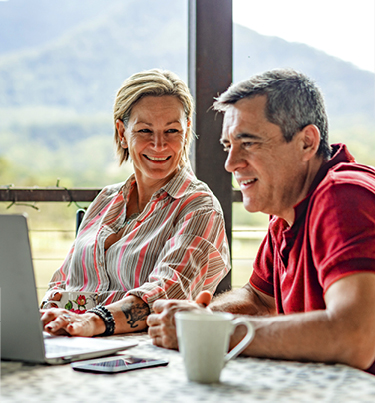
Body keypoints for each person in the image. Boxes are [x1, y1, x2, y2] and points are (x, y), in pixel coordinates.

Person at [147, 68, 375, 375]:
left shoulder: (342, 195)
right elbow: (256, 298)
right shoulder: (288, 208)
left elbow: (356, 337)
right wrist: (201, 319)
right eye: (228, 146)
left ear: (306, 142)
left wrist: (217, 332)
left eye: (249, 143)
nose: (230, 164)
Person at [41, 69, 230, 337]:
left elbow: (165, 293)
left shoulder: (199, 207)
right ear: (122, 132)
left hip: (144, 355)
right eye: (144, 130)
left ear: (186, 132)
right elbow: (62, 281)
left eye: (172, 130)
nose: (159, 144)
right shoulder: (105, 199)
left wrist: (90, 322)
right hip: (69, 340)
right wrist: (48, 315)